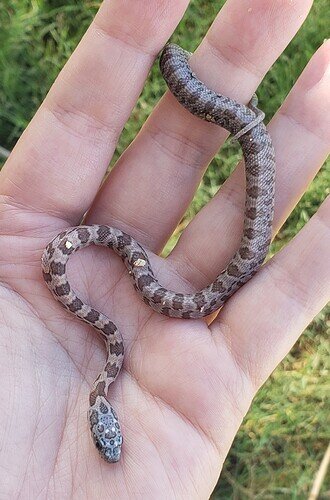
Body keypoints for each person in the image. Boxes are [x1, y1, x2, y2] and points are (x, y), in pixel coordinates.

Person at [0, 0, 328, 497]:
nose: (115, 449)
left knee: (243, 135)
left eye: (108, 443)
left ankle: (243, 123)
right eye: (113, 444)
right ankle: (245, 125)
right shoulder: (108, 346)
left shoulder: (110, 346)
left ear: (101, 416)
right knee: (250, 151)